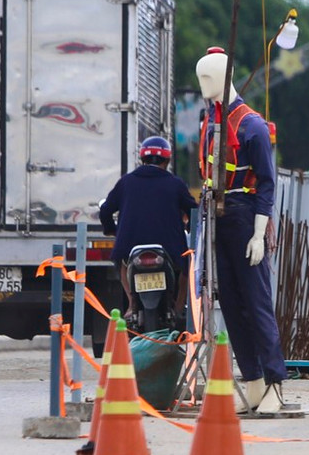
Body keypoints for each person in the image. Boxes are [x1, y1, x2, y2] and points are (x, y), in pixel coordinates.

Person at [195, 46, 286, 413]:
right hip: (216, 217)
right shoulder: (210, 122)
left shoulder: (252, 125)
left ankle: (275, 384)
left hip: (245, 214)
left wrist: (258, 233)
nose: (202, 86)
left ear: (221, 77)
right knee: (230, 304)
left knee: (257, 303)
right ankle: (252, 382)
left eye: (207, 78)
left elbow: (266, 183)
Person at [99, 135, 196, 324]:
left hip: (131, 244)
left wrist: (112, 230)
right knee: (186, 267)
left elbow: (105, 210)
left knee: (121, 262)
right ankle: (178, 307)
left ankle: (130, 303)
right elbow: (194, 211)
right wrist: (189, 227)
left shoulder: (126, 182)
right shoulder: (176, 184)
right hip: (170, 247)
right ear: (167, 160)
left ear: (142, 159)